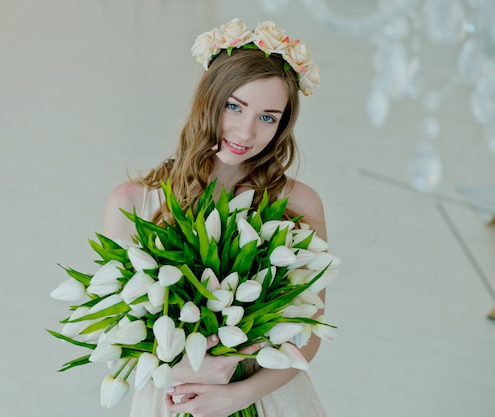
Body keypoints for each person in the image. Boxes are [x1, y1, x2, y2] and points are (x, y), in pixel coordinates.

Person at [103, 18, 327, 417]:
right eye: (234, 106)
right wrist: (181, 367)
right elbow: (116, 333)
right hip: (172, 398)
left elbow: (309, 335)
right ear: (208, 99)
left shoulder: (300, 206)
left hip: (268, 397)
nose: (245, 131)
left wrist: (238, 395)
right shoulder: (135, 203)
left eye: (267, 117)